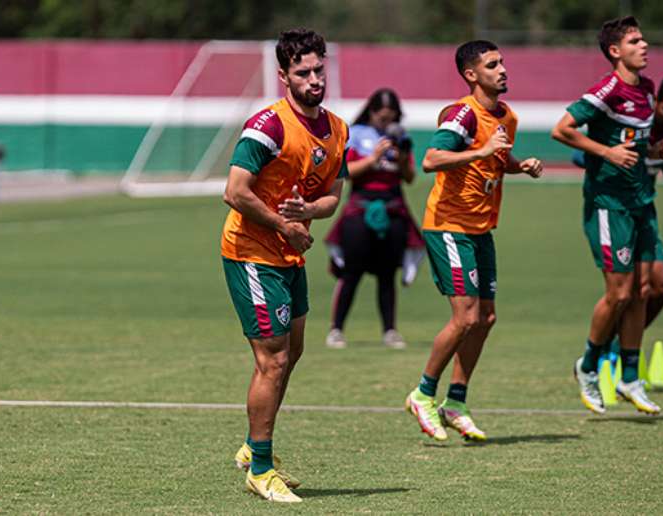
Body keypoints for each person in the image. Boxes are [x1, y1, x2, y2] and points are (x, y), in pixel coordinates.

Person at [221, 28, 348, 503]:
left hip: (291, 252)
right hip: (252, 252)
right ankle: (261, 467)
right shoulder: (268, 127)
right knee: (272, 359)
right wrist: (283, 224)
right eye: (303, 72)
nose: (314, 79)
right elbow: (234, 191)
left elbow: (332, 197)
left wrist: (307, 214)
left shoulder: (338, 128)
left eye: (319, 70)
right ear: (283, 77)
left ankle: (252, 445)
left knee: (292, 353)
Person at [404, 40, 543, 442]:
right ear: (471, 74)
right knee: (465, 316)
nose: (502, 70)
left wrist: (520, 166)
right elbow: (430, 160)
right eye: (492, 64)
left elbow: (497, 159)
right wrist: (481, 149)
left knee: (485, 318)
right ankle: (423, 393)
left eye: (502, 62)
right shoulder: (463, 115)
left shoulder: (508, 116)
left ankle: (456, 402)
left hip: (481, 229)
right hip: (449, 226)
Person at [552, 16, 663, 415]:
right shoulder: (607, 89)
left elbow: (634, 144)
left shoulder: (647, 89)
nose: (644, 44)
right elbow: (562, 130)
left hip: (640, 203)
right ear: (615, 51)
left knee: (642, 291)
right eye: (635, 40)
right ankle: (588, 365)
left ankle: (630, 376)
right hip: (608, 204)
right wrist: (606, 152)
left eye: (643, 38)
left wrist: (655, 154)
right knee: (618, 293)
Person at [572, 76, 663, 364]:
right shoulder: (634, 128)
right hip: (614, 209)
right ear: (656, 103)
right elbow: (579, 155)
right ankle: (601, 351)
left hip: (644, 211)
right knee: (625, 292)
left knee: (662, 286)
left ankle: (619, 346)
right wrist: (615, 158)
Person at [324, 88, 425, 350]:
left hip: (393, 210)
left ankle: (390, 330)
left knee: (387, 273)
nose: (386, 122)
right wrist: (374, 158)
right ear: (371, 112)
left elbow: (410, 177)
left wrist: (402, 158)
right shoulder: (356, 135)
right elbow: (348, 173)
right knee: (352, 272)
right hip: (361, 209)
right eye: (382, 117)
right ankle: (336, 329)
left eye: (391, 117)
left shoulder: (401, 138)